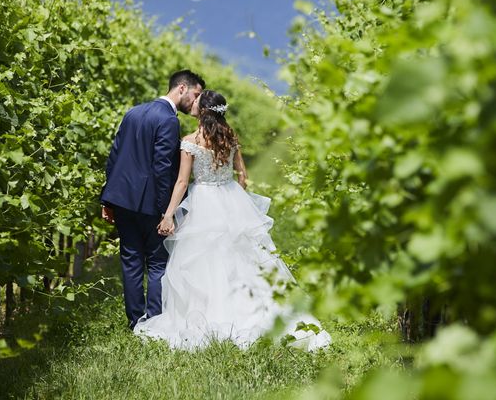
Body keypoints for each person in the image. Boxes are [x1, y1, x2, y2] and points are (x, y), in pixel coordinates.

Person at [134, 89, 331, 351]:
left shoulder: (191, 140)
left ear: (202, 112)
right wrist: (238, 200)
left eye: (196, 103)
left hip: (203, 200)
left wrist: (169, 214)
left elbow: (182, 182)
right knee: (243, 259)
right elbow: (243, 176)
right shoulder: (230, 137)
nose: (192, 104)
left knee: (203, 260)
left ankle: (206, 316)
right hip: (230, 197)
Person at [100, 70, 205, 330]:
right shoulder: (169, 120)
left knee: (131, 260)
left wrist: (107, 200)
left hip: (123, 201)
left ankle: (135, 321)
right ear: (181, 88)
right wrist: (166, 211)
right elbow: (162, 168)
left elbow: (114, 157)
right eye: (196, 94)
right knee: (157, 262)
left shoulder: (133, 112)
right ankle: (155, 321)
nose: (196, 101)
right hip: (150, 205)